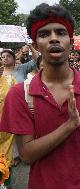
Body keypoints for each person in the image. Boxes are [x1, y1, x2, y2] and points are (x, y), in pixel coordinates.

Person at [0, 3, 80, 189]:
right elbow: (26, 154)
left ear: (70, 40)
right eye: (44, 34)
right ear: (35, 45)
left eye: (60, 32)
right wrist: (69, 126)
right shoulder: (19, 94)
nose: (53, 39)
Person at [0, 50, 18, 188]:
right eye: (2, 57)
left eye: (7, 57)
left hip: (6, 125)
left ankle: (5, 185)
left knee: (5, 158)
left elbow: (17, 100)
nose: (3, 60)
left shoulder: (11, 80)